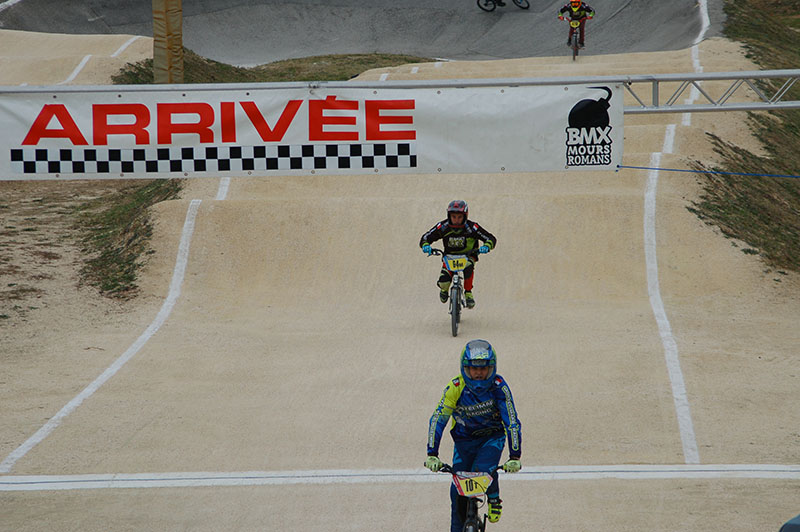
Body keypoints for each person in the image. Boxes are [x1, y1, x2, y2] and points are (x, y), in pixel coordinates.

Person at [424, 339, 522, 531]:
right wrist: (432, 453)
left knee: (482, 470)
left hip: (491, 439)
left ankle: (493, 497)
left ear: (492, 368)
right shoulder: (455, 387)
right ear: (465, 369)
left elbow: (512, 421)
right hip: (463, 443)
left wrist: (514, 456)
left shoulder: (499, 387)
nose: (478, 373)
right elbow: (438, 419)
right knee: (456, 492)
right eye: (473, 369)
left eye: (483, 369)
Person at [419, 200, 496, 309]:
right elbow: (425, 237)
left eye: (459, 217)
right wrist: (426, 245)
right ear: (449, 216)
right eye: (453, 217)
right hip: (449, 257)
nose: (456, 220)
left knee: (468, 266)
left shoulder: (472, 228)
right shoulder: (443, 227)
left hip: (468, 256)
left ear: (465, 216)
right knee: (444, 282)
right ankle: (444, 289)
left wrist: (487, 246)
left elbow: (490, 238)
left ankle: (468, 292)